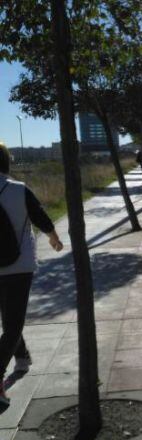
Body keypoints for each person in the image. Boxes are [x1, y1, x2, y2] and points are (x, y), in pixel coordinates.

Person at [0, 142, 63, 409]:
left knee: (9, 318)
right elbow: (41, 218)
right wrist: (54, 238)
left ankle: (22, 357)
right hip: (18, 267)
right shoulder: (17, 190)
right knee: (13, 322)